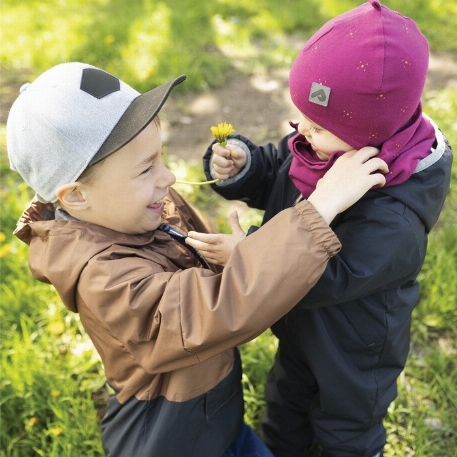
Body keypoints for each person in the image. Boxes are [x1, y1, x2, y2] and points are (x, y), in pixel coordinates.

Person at [6, 62, 388, 457]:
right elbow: (218, 308)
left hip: (214, 418)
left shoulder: (134, 206)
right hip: (173, 440)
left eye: (160, 157)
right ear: (76, 197)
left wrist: (238, 256)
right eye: (145, 169)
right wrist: (320, 207)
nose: (168, 177)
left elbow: (212, 274)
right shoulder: (105, 279)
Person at [194, 1, 453, 456]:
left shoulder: (393, 216)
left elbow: (330, 275)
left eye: (316, 125)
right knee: (286, 403)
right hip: (297, 326)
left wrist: (249, 254)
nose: (301, 130)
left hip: (354, 351)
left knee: (344, 428)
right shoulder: (323, 143)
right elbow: (281, 172)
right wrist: (247, 164)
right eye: (302, 118)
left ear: (370, 133)